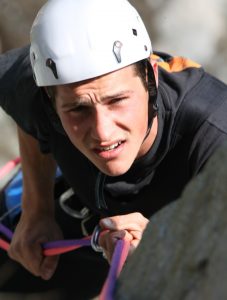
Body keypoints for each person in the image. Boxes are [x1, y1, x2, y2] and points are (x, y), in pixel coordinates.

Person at [0, 0, 227, 298]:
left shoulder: (213, 134)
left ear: (151, 78)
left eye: (117, 100)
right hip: (82, 228)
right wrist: (36, 210)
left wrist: (168, 239)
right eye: (78, 110)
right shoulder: (40, 83)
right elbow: (26, 108)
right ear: (50, 103)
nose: (103, 133)